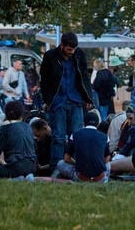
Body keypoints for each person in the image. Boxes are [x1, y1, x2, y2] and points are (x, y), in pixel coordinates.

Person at [39, 32, 94, 169]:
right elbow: (44, 80)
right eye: (69, 49)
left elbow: (85, 76)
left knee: (76, 135)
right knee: (58, 136)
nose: (72, 52)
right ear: (62, 45)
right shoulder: (50, 56)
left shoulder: (79, 54)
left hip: (75, 99)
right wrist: (47, 100)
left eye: (74, 49)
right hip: (57, 100)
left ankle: (77, 166)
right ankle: (56, 167)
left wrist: (88, 97)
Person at [55, 110, 111, 182]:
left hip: (81, 177)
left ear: (84, 123)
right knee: (108, 164)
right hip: (99, 178)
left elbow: (66, 158)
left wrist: (77, 163)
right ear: (98, 124)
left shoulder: (75, 135)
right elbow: (107, 158)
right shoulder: (104, 137)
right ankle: (104, 179)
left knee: (60, 164)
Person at [0, 101, 37, 178]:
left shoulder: (6, 128)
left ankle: (18, 178)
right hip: (33, 166)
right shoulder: (28, 127)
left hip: (16, 166)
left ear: (6, 114)